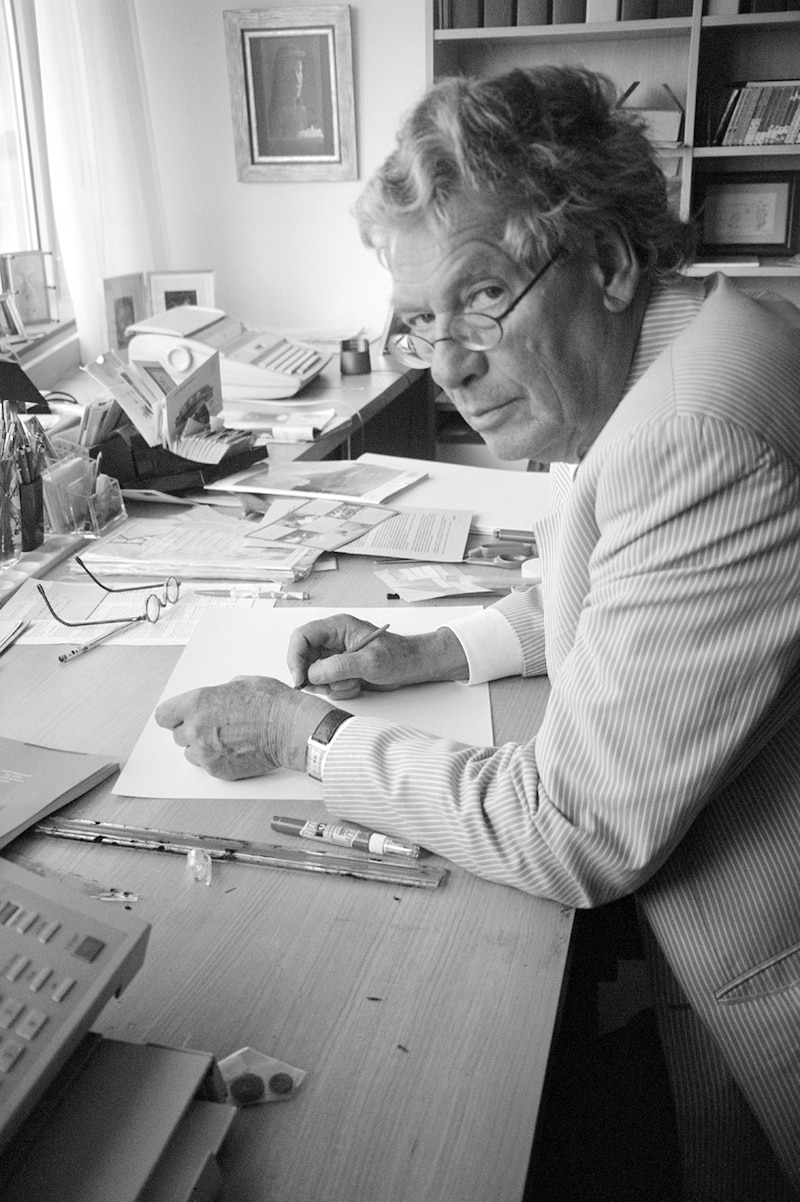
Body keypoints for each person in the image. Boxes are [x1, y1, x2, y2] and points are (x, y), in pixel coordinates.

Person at [156, 66, 800, 1198]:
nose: (448, 363)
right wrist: (434, 650)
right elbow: (613, 576)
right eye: (423, 321)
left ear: (608, 262)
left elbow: (572, 829)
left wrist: (300, 732)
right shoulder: (701, 343)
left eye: (484, 296)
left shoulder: (693, 439)